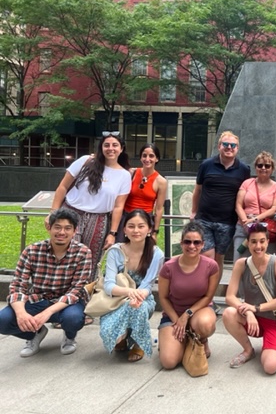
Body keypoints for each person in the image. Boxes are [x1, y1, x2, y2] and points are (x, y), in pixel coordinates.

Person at [0, 208, 92, 357]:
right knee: (2, 321)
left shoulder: (83, 252)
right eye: (57, 227)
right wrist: (21, 313)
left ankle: (69, 336)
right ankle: (34, 334)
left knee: (73, 319)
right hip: (37, 300)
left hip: (66, 303)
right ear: (49, 228)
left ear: (74, 231)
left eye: (67, 228)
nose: (62, 232)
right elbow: (17, 285)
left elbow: (76, 290)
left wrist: (46, 313)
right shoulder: (32, 251)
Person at [45, 132, 131, 279]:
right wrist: (53, 213)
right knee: (64, 252)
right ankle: (57, 292)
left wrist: (112, 233)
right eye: (107, 145)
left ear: (121, 148)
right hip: (71, 213)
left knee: (91, 259)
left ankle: (83, 295)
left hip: (99, 219)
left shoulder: (124, 175)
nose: (111, 148)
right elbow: (63, 187)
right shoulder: (86, 161)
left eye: (115, 145)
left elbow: (118, 206)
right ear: (101, 148)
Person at [191, 130, 250, 312]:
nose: (229, 148)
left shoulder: (244, 169)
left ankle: (211, 296)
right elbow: (198, 190)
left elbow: (245, 194)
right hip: (205, 219)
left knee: (218, 260)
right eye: (226, 145)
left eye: (233, 145)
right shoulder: (207, 165)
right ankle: (204, 298)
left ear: (237, 149)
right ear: (219, 146)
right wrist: (193, 211)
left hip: (227, 222)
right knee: (207, 258)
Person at [223, 223, 276, 374]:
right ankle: (248, 350)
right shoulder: (241, 264)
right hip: (252, 319)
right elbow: (230, 296)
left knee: (270, 367)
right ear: (248, 243)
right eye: (253, 241)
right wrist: (249, 312)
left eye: (261, 241)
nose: (258, 246)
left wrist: (256, 308)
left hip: (274, 320)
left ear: (267, 242)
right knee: (229, 313)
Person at [99, 210, 164, 362]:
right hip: (116, 299)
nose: (136, 230)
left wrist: (136, 297)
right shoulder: (115, 251)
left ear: (149, 229)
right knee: (110, 334)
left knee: (138, 308)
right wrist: (130, 292)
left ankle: (138, 343)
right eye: (131, 226)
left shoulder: (156, 254)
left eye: (141, 226)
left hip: (142, 299)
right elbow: (108, 286)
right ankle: (122, 336)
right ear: (124, 230)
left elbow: (147, 286)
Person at [157, 221, 218, 369]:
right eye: (187, 242)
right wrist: (177, 321)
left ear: (203, 244)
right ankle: (181, 339)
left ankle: (201, 338)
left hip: (198, 312)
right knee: (169, 362)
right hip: (173, 314)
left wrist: (187, 315)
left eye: (196, 242)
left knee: (206, 324)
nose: (192, 246)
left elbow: (208, 297)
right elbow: (163, 297)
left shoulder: (211, 266)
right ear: (181, 243)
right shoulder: (168, 267)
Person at [233, 151, 276, 261]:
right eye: (260, 165)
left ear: (272, 168)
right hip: (243, 227)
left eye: (267, 165)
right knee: (240, 261)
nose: (263, 168)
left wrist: (256, 219)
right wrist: (245, 221)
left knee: (265, 264)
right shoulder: (247, 183)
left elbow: (275, 209)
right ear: (255, 167)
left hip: (265, 229)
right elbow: (238, 205)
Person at [117, 143, 168, 242]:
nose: (147, 159)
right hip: (126, 217)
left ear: (157, 159)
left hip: (145, 219)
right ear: (140, 158)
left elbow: (158, 209)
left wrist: (155, 231)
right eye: (144, 155)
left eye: (151, 156)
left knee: (142, 251)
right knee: (122, 248)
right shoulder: (131, 173)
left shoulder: (161, 181)